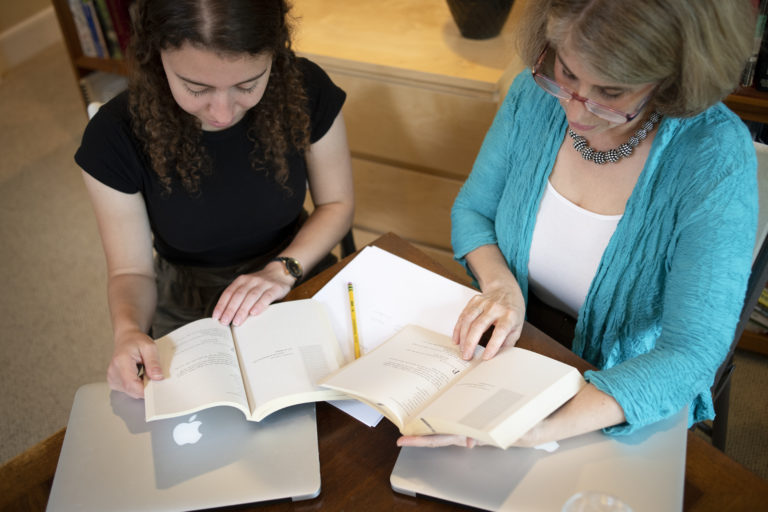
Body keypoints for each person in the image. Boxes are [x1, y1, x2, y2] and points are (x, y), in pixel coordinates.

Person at [399, 0, 758, 448]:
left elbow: (692, 353)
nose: (576, 111)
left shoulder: (714, 156)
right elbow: (472, 212)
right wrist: (499, 286)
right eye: (566, 74)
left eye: (610, 93)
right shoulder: (531, 96)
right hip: (517, 346)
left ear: (673, 79)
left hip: (620, 389)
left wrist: (539, 428)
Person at [76, 0, 354, 399]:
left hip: (298, 266)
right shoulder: (115, 137)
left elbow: (337, 204)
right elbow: (131, 273)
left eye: (247, 84)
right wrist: (127, 332)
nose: (222, 113)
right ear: (157, 54)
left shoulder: (304, 88)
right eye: (196, 88)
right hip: (190, 299)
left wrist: (282, 269)